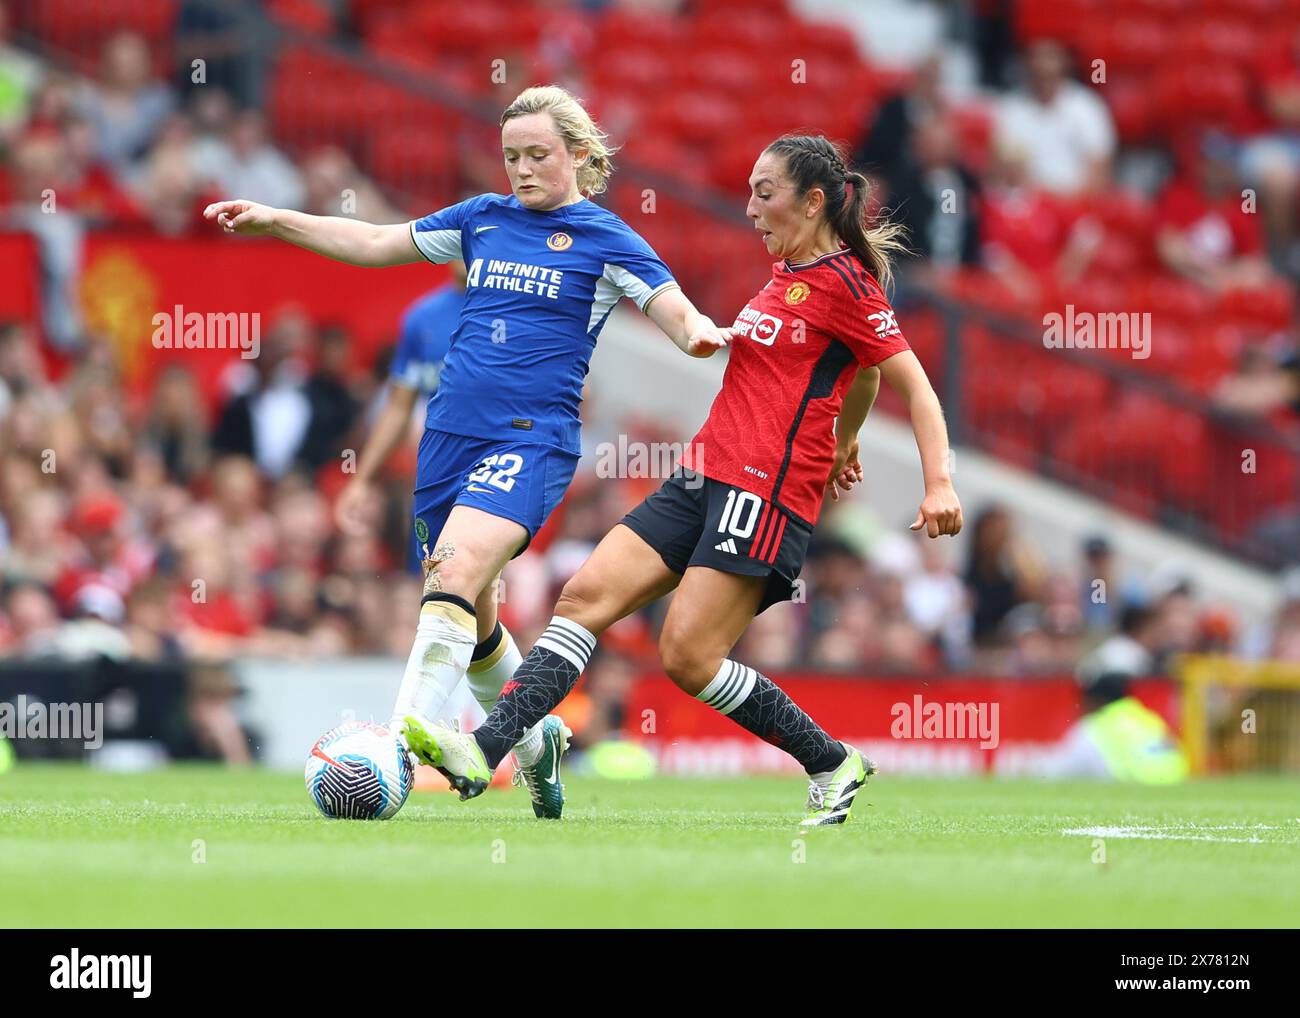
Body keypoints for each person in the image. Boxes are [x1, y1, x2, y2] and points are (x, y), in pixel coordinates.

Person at [204, 85, 731, 818]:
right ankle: (536, 739)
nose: (521, 169)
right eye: (511, 155)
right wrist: (278, 219)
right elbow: (376, 242)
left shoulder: (607, 238)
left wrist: (699, 333)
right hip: (446, 442)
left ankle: (394, 745)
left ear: (578, 154)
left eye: (538, 155)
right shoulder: (482, 219)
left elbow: (671, 305)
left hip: (532, 440)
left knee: (449, 574)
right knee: (473, 613)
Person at [407, 134, 964, 827]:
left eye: (766, 192)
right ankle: (482, 751)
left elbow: (908, 380)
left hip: (765, 492)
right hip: (701, 474)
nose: (751, 206)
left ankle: (830, 761)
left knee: (688, 658)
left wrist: (937, 481)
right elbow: (865, 372)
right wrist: (844, 435)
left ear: (812, 201)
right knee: (582, 597)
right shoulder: (785, 272)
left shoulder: (848, 282)